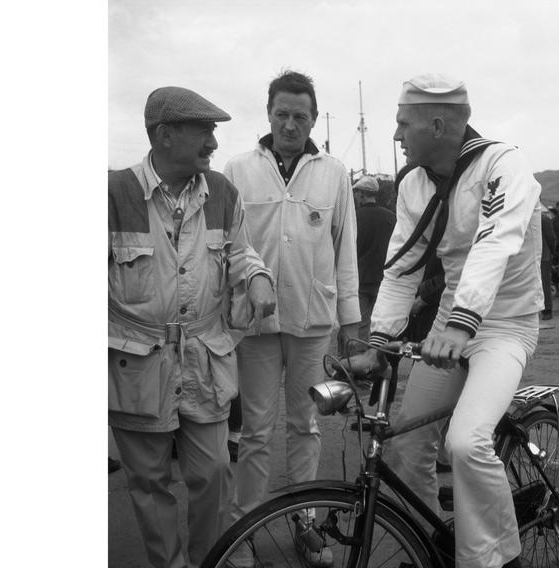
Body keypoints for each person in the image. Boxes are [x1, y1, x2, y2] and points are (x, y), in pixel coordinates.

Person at [345, 73, 543, 568]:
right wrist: (380, 342)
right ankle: (435, 545)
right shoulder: (413, 184)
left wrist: (461, 324)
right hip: (450, 329)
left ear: (436, 125)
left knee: (465, 441)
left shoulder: (503, 163)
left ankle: (495, 560)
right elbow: (401, 268)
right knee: (407, 443)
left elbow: (494, 244)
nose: (395, 135)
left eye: (401, 123)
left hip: (504, 325)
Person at [108, 86, 275, 568]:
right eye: (203, 130)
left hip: (205, 358)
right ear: (164, 134)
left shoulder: (222, 191)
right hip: (135, 364)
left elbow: (242, 252)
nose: (213, 143)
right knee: (149, 484)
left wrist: (258, 278)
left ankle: (209, 561)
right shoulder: (113, 194)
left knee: (215, 471)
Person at [222, 70, 360, 566]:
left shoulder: (334, 172)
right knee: (255, 430)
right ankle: (244, 528)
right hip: (256, 324)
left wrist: (351, 319)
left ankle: (304, 525)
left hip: (313, 319)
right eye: (281, 114)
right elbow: (229, 245)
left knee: (305, 424)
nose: (289, 124)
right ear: (268, 115)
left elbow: (345, 249)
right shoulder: (238, 170)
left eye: (300, 116)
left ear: (313, 118)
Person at [353, 175, 397, 341]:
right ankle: (379, 358)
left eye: (357, 193)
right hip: (385, 279)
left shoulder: (354, 217)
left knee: (361, 323)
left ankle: (360, 362)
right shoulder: (391, 217)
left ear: (362, 194)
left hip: (361, 279)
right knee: (382, 323)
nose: (356, 197)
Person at [540, 208, 557, 320]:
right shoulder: (544, 218)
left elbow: (551, 238)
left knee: (545, 284)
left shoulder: (544, 219)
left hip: (543, 256)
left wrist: (552, 252)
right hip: (534, 256)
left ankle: (547, 309)